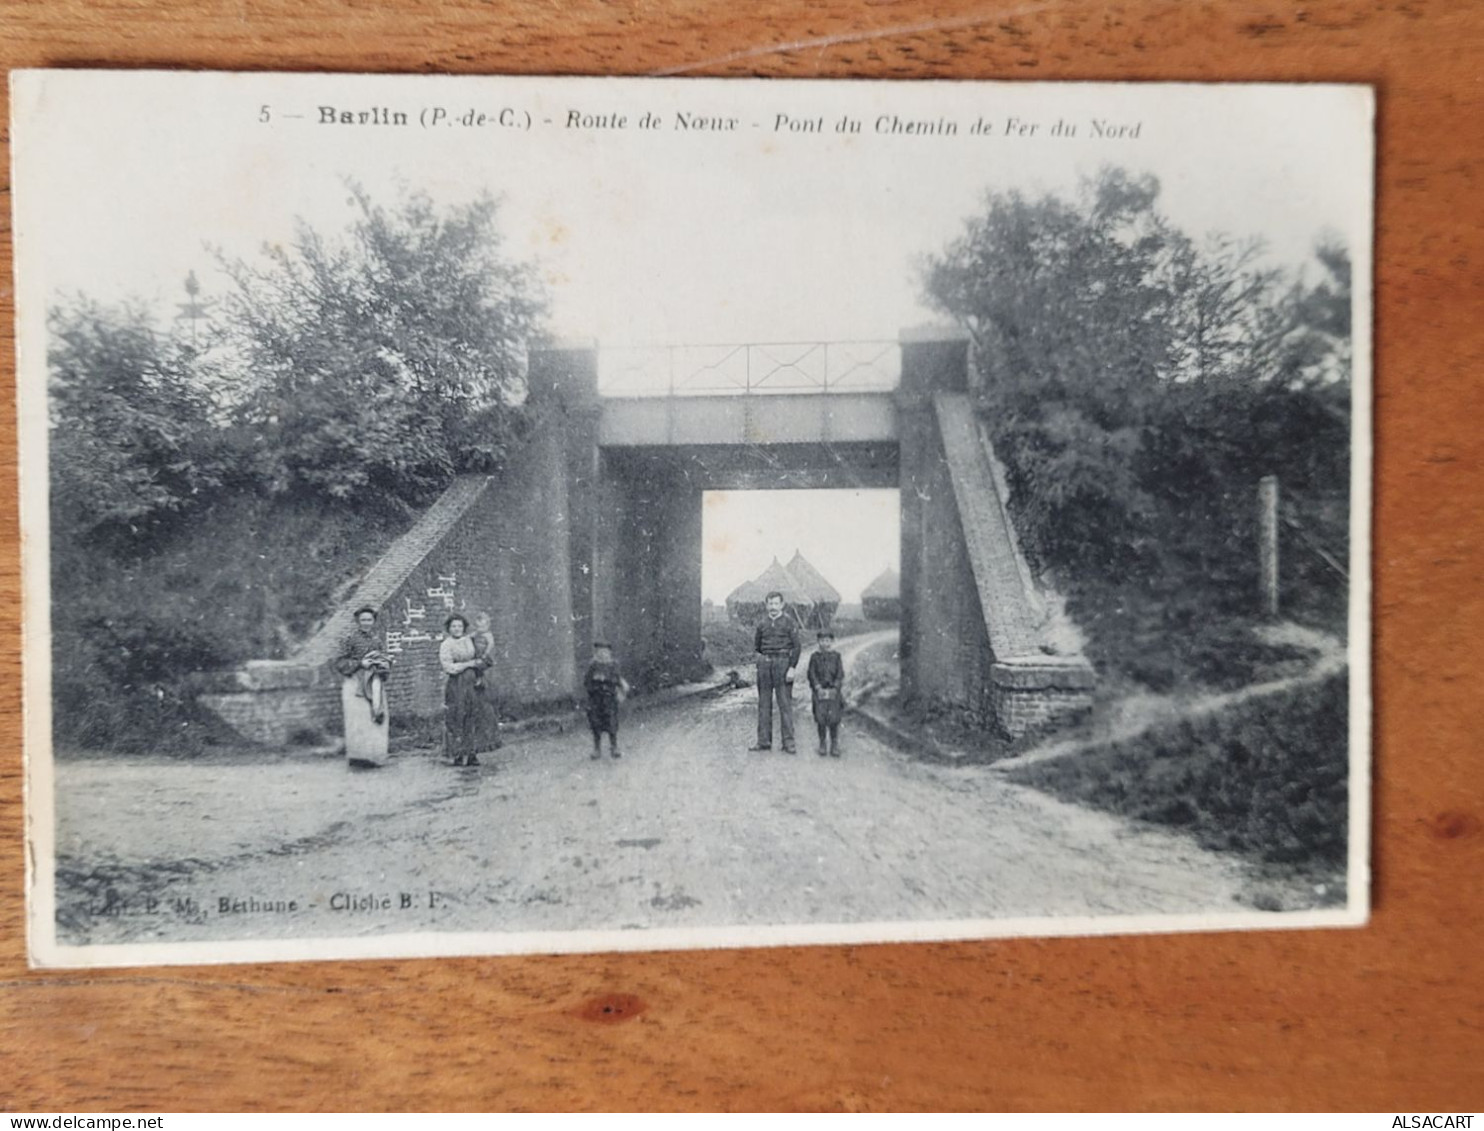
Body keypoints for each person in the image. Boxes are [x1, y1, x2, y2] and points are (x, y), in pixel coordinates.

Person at [333, 606, 392, 769]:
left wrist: (382, 665)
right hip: (355, 684)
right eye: (363, 620)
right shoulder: (350, 639)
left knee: (376, 716)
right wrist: (360, 664)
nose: (366, 623)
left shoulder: (377, 640)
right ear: (358, 622)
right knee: (358, 719)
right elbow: (339, 662)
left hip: (374, 683)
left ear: (374, 621)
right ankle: (358, 756)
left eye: (369, 620)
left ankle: (375, 755)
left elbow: (384, 659)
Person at [750, 590, 801, 754]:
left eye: (776, 603)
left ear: (782, 605)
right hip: (765, 665)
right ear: (766, 605)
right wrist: (761, 661)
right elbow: (757, 646)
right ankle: (763, 741)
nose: (773, 606)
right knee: (764, 704)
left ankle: (789, 743)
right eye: (770, 603)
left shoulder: (789, 622)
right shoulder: (762, 623)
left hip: (783, 664)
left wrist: (792, 668)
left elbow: (797, 647)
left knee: (784, 704)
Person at [439, 613, 483, 767]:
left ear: (464, 627)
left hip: (471, 684)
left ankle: (471, 754)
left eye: (459, 626)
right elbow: (448, 667)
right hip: (456, 685)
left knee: (472, 716)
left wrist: (478, 673)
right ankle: (457, 754)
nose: (457, 629)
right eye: (453, 626)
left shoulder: (469, 641)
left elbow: (478, 659)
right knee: (456, 717)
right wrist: (468, 665)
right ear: (449, 628)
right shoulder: (446, 644)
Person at [583, 640, 629, 760]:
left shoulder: (613, 665)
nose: (603, 654)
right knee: (595, 723)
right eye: (600, 651)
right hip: (596, 699)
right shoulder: (593, 665)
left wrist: (617, 687)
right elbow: (586, 682)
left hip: (609, 698)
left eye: (605, 651)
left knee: (611, 722)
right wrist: (594, 686)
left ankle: (614, 747)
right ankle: (596, 749)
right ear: (596, 653)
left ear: (609, 652)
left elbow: (617, 679)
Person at [807, 627, 846, 757]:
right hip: (819, 692)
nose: (825, 643)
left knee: (834, 718)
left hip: (833, 692)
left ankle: (834, 744)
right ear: (818, 642)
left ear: (832, 642)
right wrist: (817, 687)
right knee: (821, 719)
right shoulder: (814, 657)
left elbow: (840, 674)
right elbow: (811, 673)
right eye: (822, 641)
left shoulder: (836, 656)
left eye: (828, 641)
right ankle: (822, 743)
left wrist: (836, 687)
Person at [470, 611, 503, 755]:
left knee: (484, 707)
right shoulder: (475, 635)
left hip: (483, 669)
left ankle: (488, 740)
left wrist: (483, 657)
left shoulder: (489, 637)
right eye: (478, 626)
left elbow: (489, 651)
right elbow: (469, 639)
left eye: (482, 626)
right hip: (476, 668)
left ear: (488, 626)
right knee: (476, 708)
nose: (480, 629)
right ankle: (477, 741)